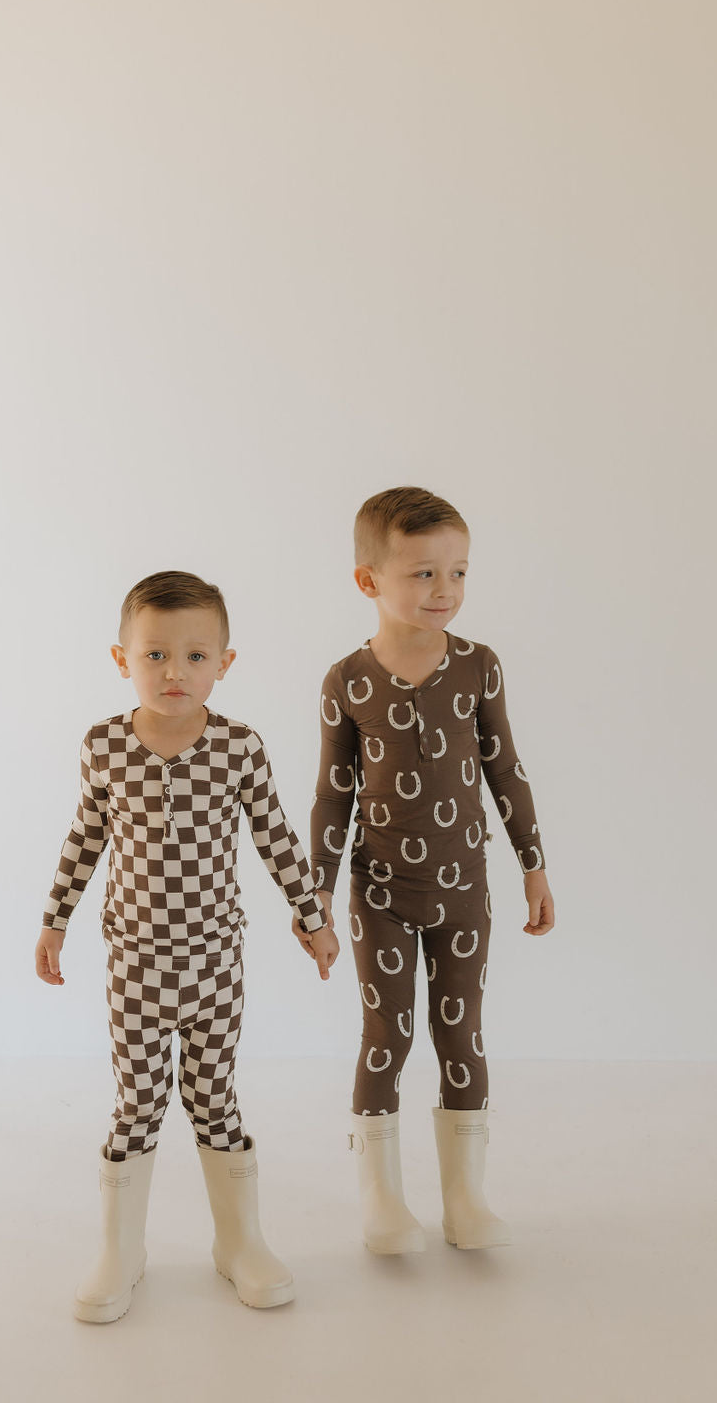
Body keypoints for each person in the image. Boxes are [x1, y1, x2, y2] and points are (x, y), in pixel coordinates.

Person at [36, 570, 339, 1321]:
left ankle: (239, 1243)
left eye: (196, 656)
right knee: (137, 1102)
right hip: (135, 967)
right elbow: (84, 840)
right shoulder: (105, 746)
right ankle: (121, 1251)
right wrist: (55, 920)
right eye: (156, 655)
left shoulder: (238, 747)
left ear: (224, 664)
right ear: (122, 659)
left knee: (214, 1098)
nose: (176, 672)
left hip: (214, 965)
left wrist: (313, 916)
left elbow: (275, 837)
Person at [300, 486, 554, 1255]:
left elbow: (505, 769)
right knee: (388, 1035)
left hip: (464, 894)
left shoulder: (479, 666)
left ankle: (465, 1199)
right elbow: (332, 795)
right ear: (368, 580)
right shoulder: (347, 680)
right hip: (380, 895)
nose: (445, 590)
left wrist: (533, 866)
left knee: (461, 1034)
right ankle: (382, 1201)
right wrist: (314, 897)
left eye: (458, 572)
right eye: (423, 573)